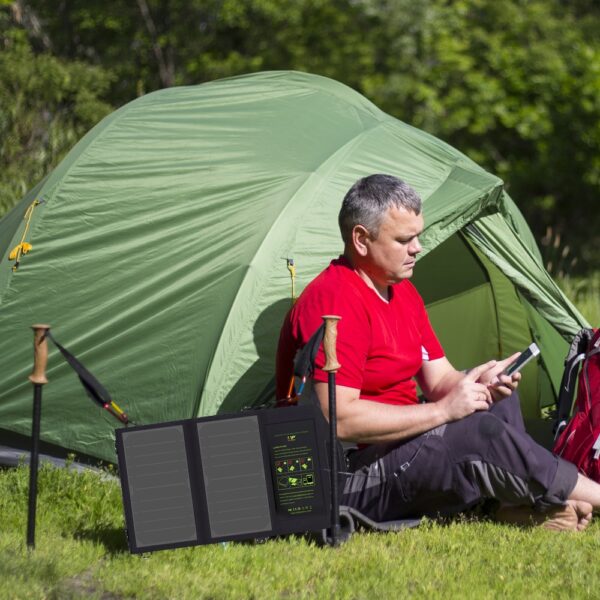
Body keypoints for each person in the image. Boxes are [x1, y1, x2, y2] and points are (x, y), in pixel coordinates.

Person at [276, 173, 600, 531]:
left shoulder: (402, 292)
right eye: (404, 239)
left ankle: (511, 504)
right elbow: (338, 418)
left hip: (398, 448)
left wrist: (478, 382)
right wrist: (443, 411)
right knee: (477, 433)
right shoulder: (335, 299)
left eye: (418, 236)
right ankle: (585, 495)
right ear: (361, 239)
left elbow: (440, 379)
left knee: (490, 401)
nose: (417, 248)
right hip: (349, 474)